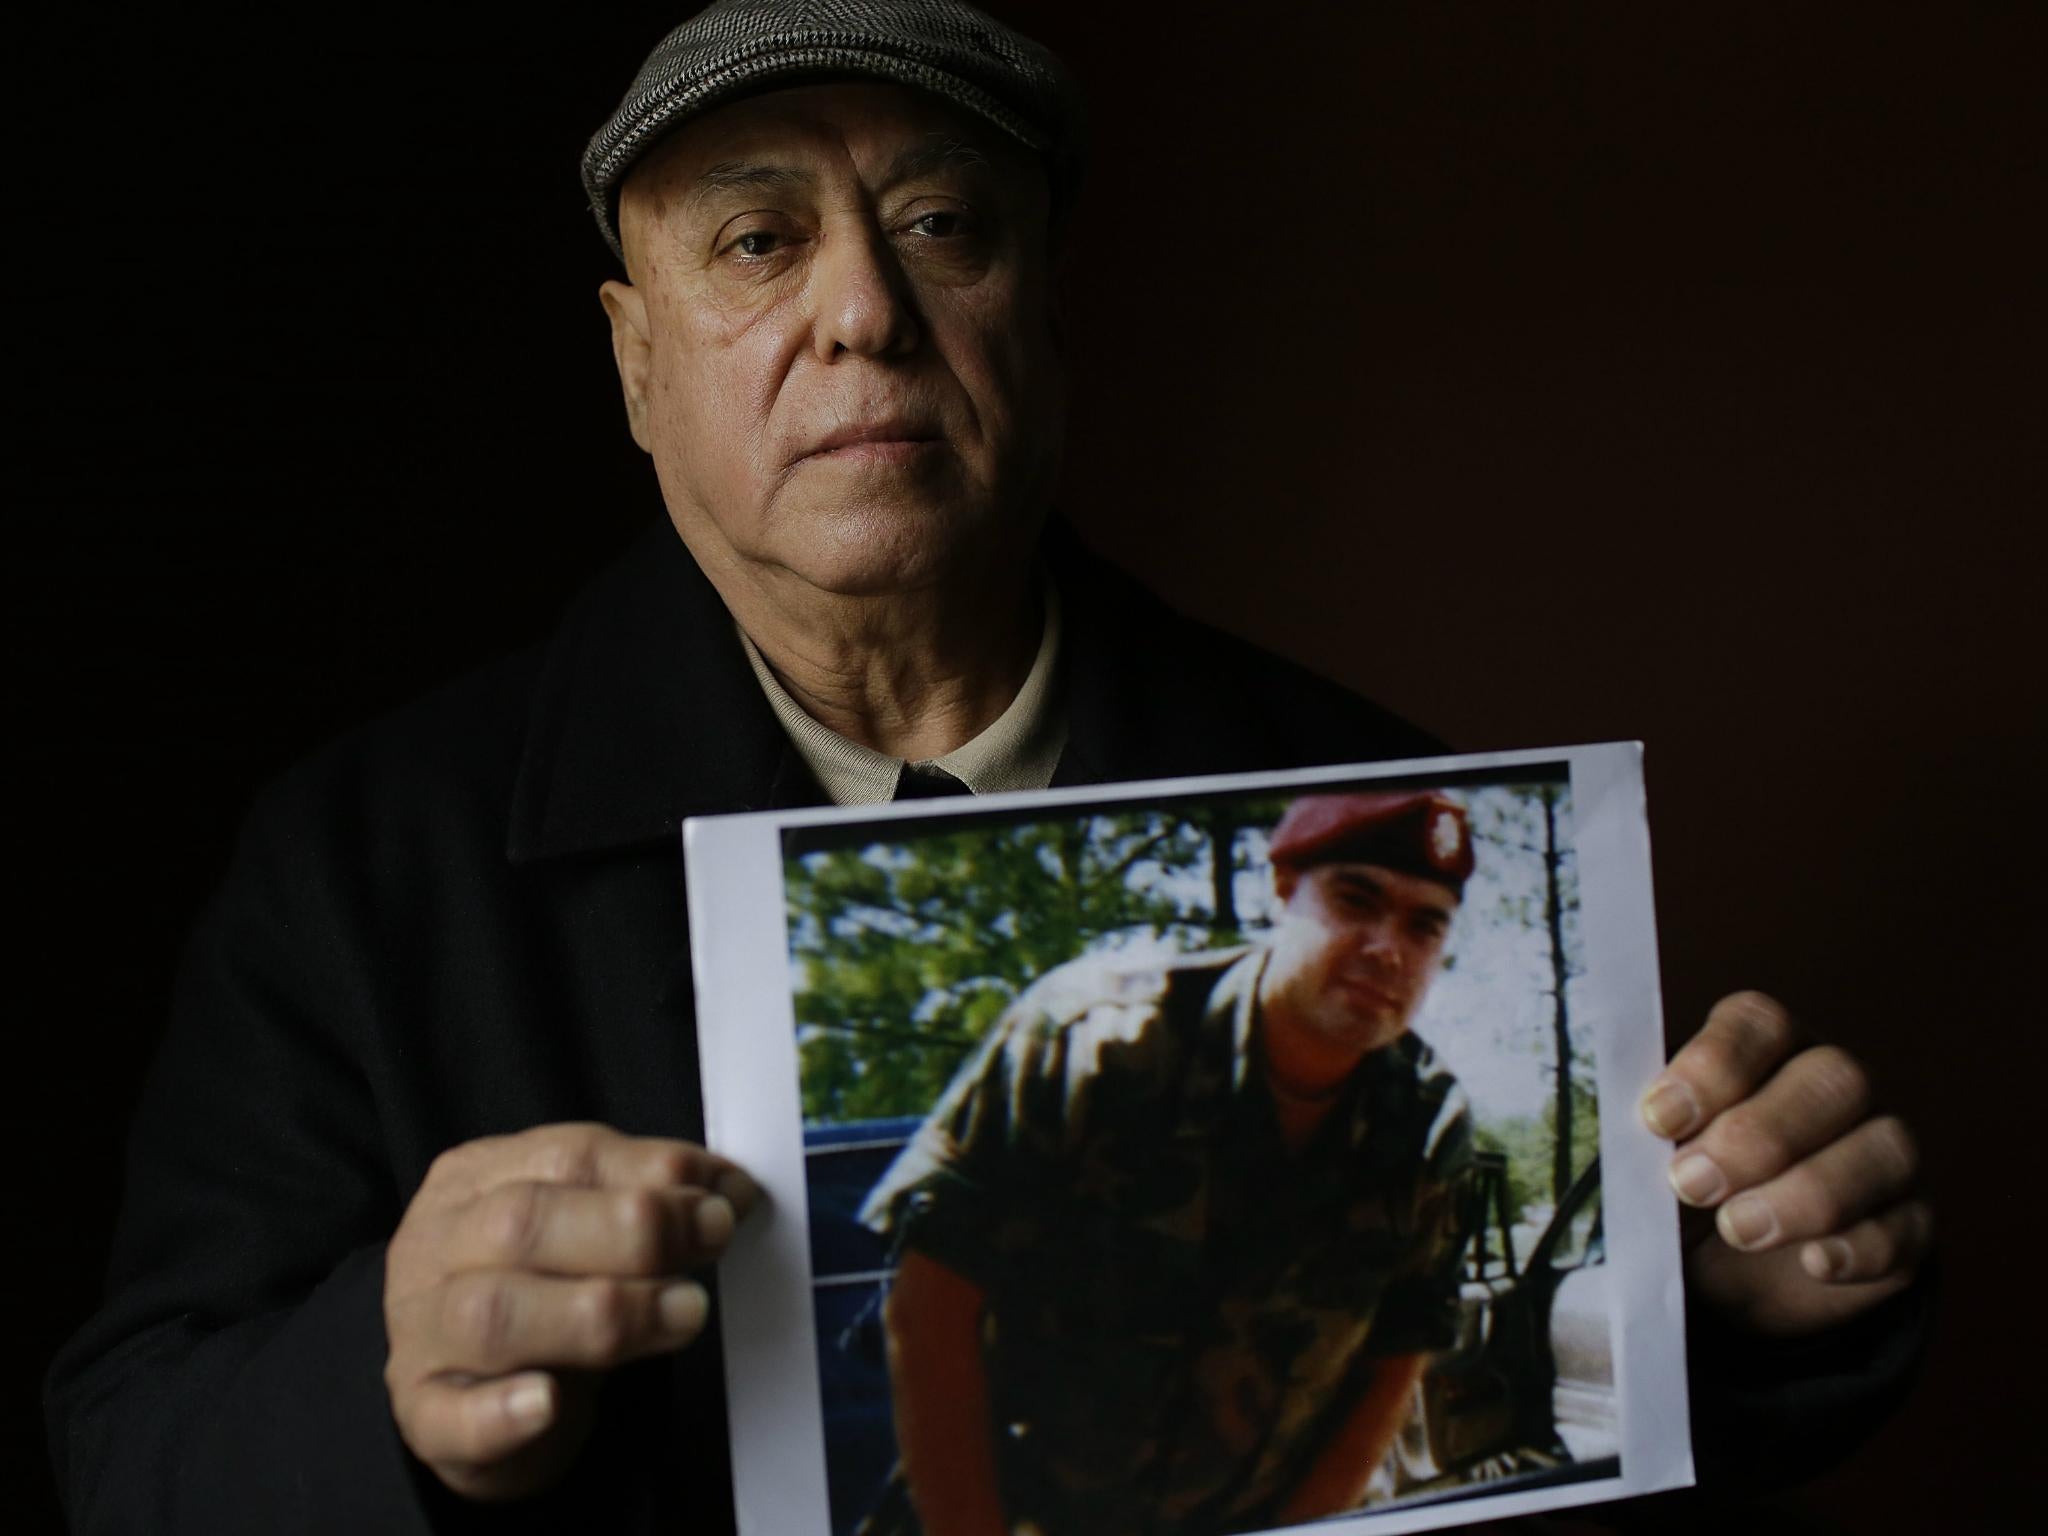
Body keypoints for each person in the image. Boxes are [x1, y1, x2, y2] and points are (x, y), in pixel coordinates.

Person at [45, 3, 1932, 1532]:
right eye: (757, 240)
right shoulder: (366, 869)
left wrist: (1750, 1307)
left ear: (1041, 308)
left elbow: (1531, 1416)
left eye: (943, 224)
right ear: (635, 365)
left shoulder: (1388, 807)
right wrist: (388, 1393)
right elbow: (126, 1449)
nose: (862, 309)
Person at [858, 790, 1482, 1535]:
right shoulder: (1099, 1041)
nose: (1388, 948)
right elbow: (929, 1307)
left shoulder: (1426, 1127)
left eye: (1425, 926)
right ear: (1283, 891)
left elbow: (1394, 1366)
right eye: (1356, 900)